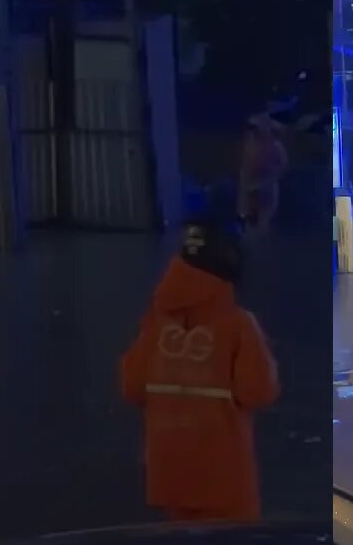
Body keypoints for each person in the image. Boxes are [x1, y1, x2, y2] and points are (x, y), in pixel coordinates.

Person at [119, 219, 280, 522]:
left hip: (170, 480)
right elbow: (258, 392)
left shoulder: (155, 322)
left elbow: (132, 386)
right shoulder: (239, 325)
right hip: (227, 482)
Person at [239, 112, 289, 235]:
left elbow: (282, 167)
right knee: (246, 218)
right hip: (249, 186)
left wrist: (267, 180)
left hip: (267, 187)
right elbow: (245, 165)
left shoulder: (276, 146)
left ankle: (262, 241)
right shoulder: (249, 145)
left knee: (264, 221)